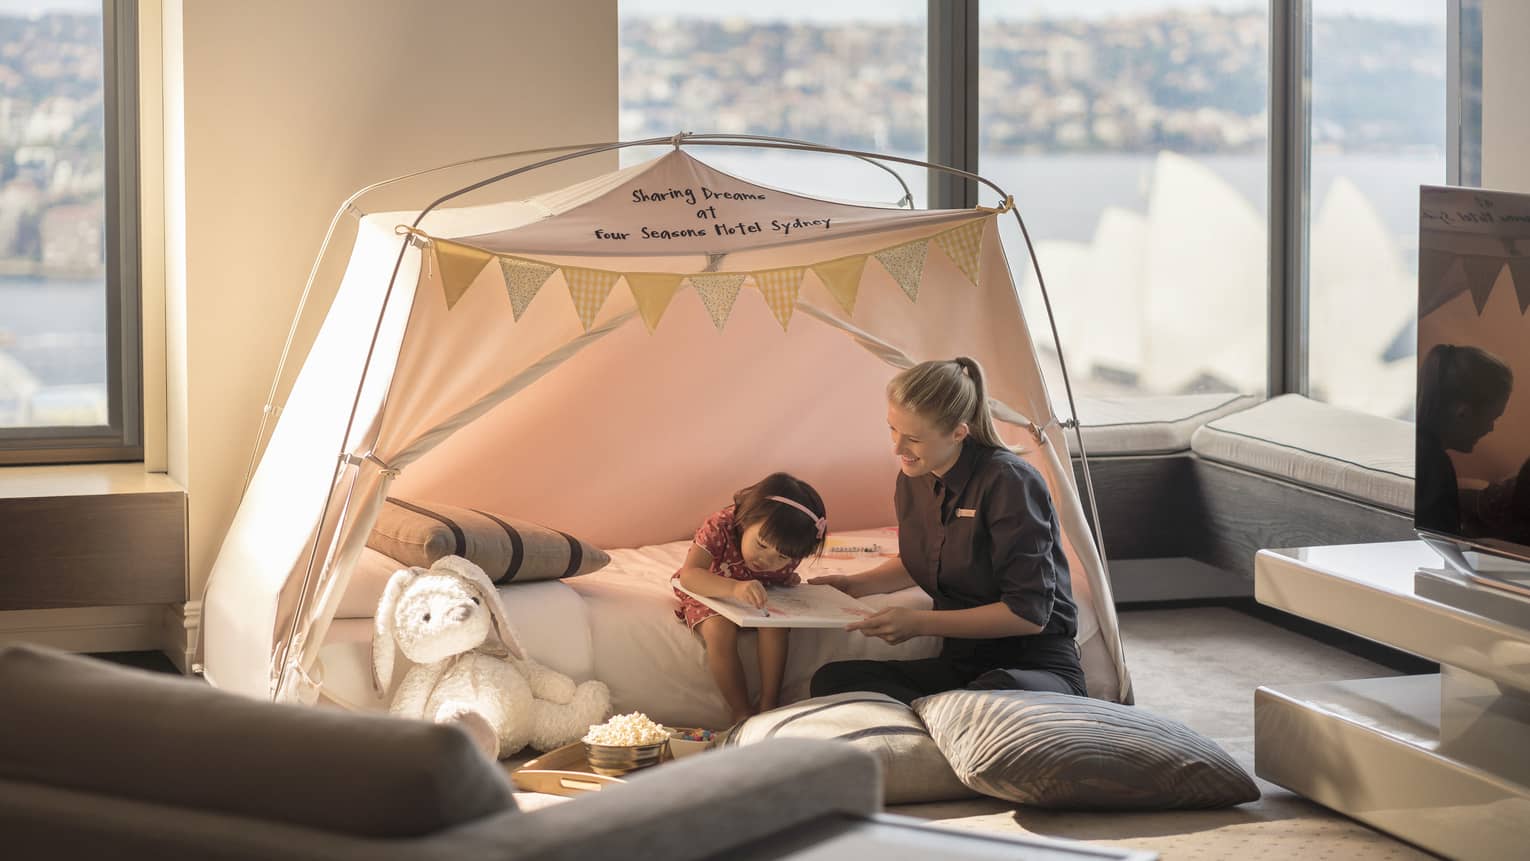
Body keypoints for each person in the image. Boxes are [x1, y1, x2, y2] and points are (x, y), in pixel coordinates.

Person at [809, 357, 1086, 704]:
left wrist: (919, 623)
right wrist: (854, 585)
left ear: (958, 432)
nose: (897, 448)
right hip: (963, 666)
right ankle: (940, 717)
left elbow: (1028, 614)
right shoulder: (913, 480)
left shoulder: (1009, 482)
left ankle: (942, 716)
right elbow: (923, 560)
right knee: (832, 681)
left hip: (1033, 666)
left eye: (913, 438)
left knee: (982, 699)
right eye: (892, 429)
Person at [674, 473, 828, 723]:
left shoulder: (788, 545)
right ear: (747, 519)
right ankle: (741, 710)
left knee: (775, 627)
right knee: (717, 630)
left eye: (782, 558)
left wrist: (785, 577)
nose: (767, 560)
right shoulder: (720, 525)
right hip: (711, 586)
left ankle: (769, 704)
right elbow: (689, 576)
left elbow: (780, 569)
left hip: (757, 591)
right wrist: (734, 588)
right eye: (761, 545)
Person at [1415, 344, 1513, 537]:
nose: (1491, 427)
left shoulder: (1423, 451)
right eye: (1492, 417)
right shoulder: (1435, 466)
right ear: (1463, 414)